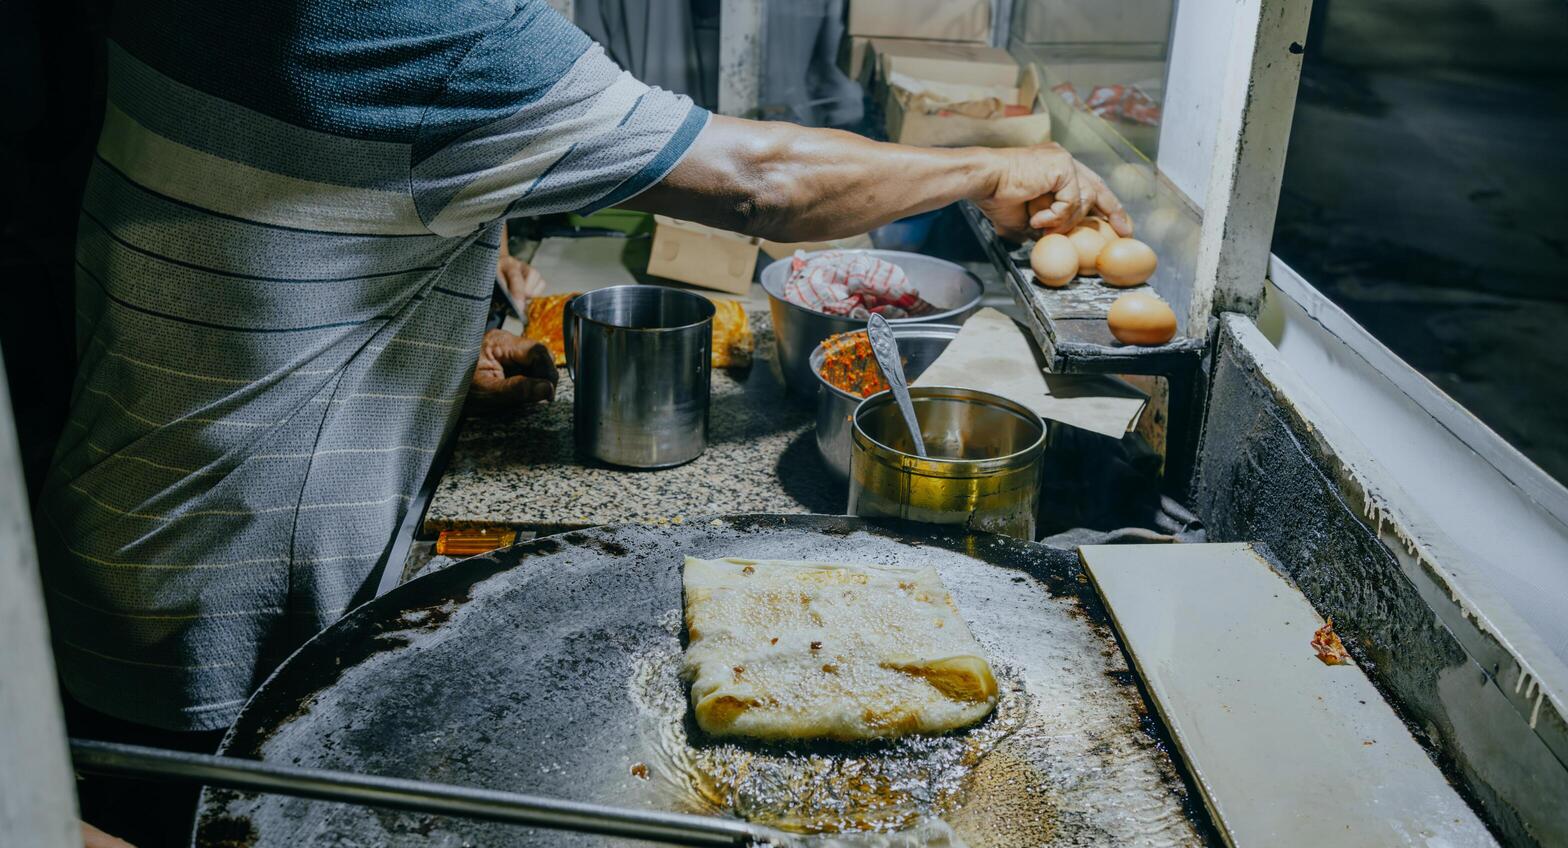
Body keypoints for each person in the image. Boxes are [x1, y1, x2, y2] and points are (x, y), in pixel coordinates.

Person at [39, 0, 1130, 737]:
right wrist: (987, 161)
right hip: (223, 640)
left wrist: (421, 331)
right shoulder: (424, 28)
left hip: (110, 559)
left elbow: (263, 233)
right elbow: (758, 183)